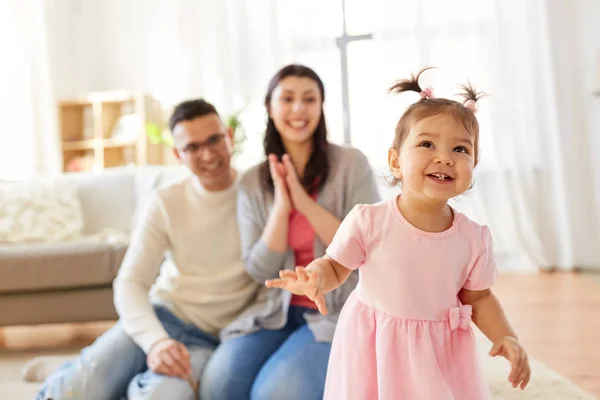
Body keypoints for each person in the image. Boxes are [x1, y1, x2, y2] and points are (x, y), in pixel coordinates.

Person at [266, 68, 532, 399]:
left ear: (473, 166)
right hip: (374, 346)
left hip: (439, 352)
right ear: (395, 161)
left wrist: (506, 337)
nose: (444, 158)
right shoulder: (369, 220)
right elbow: (335, 265)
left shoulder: (474, 238)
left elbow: (477, 298)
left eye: (460, 150)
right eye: (427, 144)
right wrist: (315, 278)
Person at [36, 99, 259, 400]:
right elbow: (130, 282)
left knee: (160, 396)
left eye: (214, 140)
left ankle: (90, 368)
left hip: (209, 339)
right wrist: (155, 343)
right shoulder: (166, 201)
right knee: (74, 392)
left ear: (228, 137)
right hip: (160, 316)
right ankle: (74, 371)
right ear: (178, 154)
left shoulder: (257, 194)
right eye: (192, 148)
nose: (207, 155)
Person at [200, 64, 381, 400]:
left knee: (274, 394)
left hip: (334, 310)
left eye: (309, 99)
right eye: (288, 99)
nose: (299, 109)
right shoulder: (253, 182)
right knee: (219, 386)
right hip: (274, 310)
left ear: (320, 107)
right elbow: (260, 269)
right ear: (270, 107)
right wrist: (282, 207)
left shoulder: (351, 164)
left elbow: (369, 247)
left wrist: (303, 201)